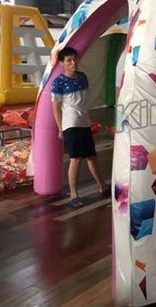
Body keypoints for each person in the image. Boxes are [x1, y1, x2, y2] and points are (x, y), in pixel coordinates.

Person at [51, 47, 109, 207]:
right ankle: (73, 195)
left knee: (92, 157)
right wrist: (60, 128)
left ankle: (103, 186)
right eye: (69, 60)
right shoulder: (58, 83)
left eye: (74, 59)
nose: (73, 63)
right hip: (71, 125)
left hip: (84, 123)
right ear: (62, 63)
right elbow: (56, 108)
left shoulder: (83, 77)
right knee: (75, 160)